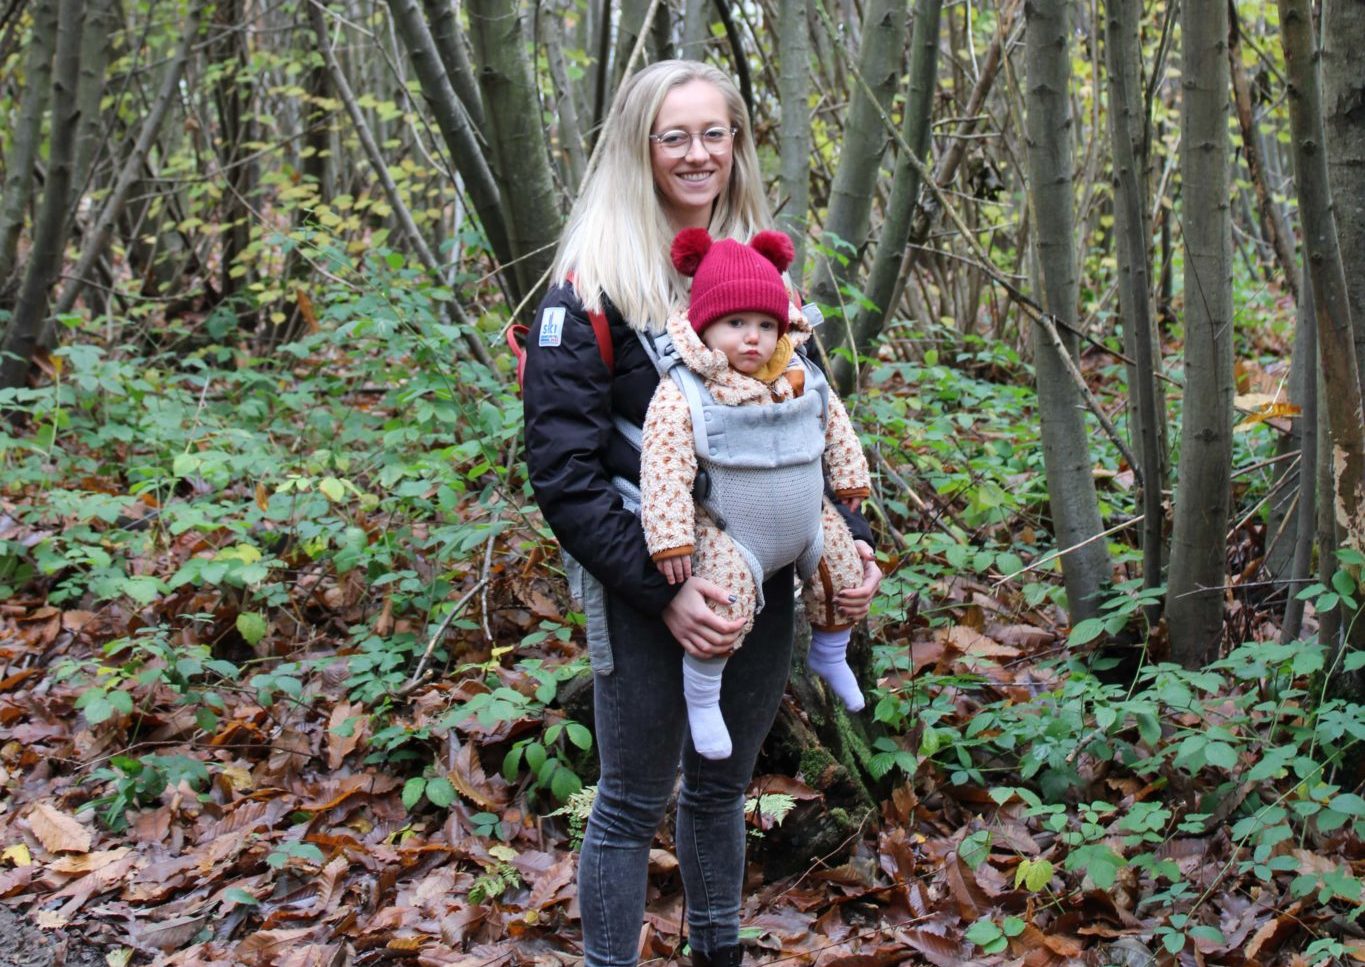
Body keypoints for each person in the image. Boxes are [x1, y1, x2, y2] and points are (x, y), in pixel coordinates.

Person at [521, 59, 881, 967]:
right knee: (633, 798)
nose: (696, 154)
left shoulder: (758, 270)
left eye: (712, 133)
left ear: (736, 143)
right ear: (639, 147)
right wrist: (661, 591)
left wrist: (853, 544)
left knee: (722, 788)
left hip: (763, 571)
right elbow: (563, 473)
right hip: (647, 575)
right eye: (673, 136)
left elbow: (815, 417)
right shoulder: (590, 283)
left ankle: (717, 952)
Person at [640, 227, 871, 761]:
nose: (753, 338)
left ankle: (831, 652)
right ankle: (702, 696)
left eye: (766, 325)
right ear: (704, 326)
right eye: (736, 323)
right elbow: (664, 465)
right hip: (729, 531)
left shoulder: (802, 376)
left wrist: (850, 480)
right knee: (722, 606)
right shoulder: (685, 391)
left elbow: (835, 427)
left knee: (843, 569)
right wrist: (670, 538)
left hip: (806, 523)